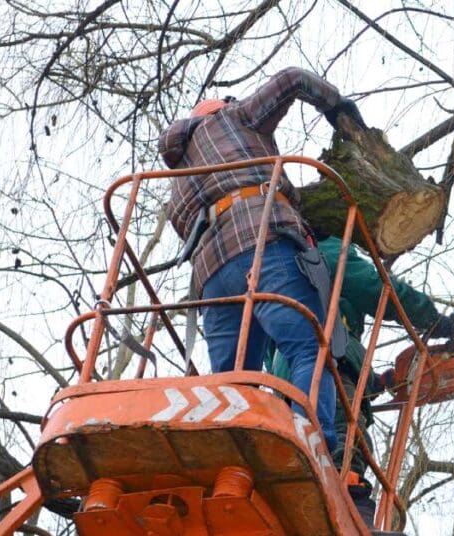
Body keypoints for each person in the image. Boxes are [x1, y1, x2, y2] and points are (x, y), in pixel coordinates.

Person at [157, 67, 367, 450]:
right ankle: (312, 442)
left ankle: (238, 455)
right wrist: (336, 105)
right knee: (307, 348)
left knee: (235, 382)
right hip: (263, 245)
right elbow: (291, 79)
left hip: (212, 279)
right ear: (219, 109)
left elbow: (184, 228)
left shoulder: (178, 180)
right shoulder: (233, 118)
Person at [268, 235, 454, 526]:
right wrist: (433, 319)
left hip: (286, 380)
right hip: (327, 362)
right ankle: (352, 511)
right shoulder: (327, 245)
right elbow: (374, 287)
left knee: (305, 444)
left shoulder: (275, 267)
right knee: (343, 445)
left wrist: (379, 382)